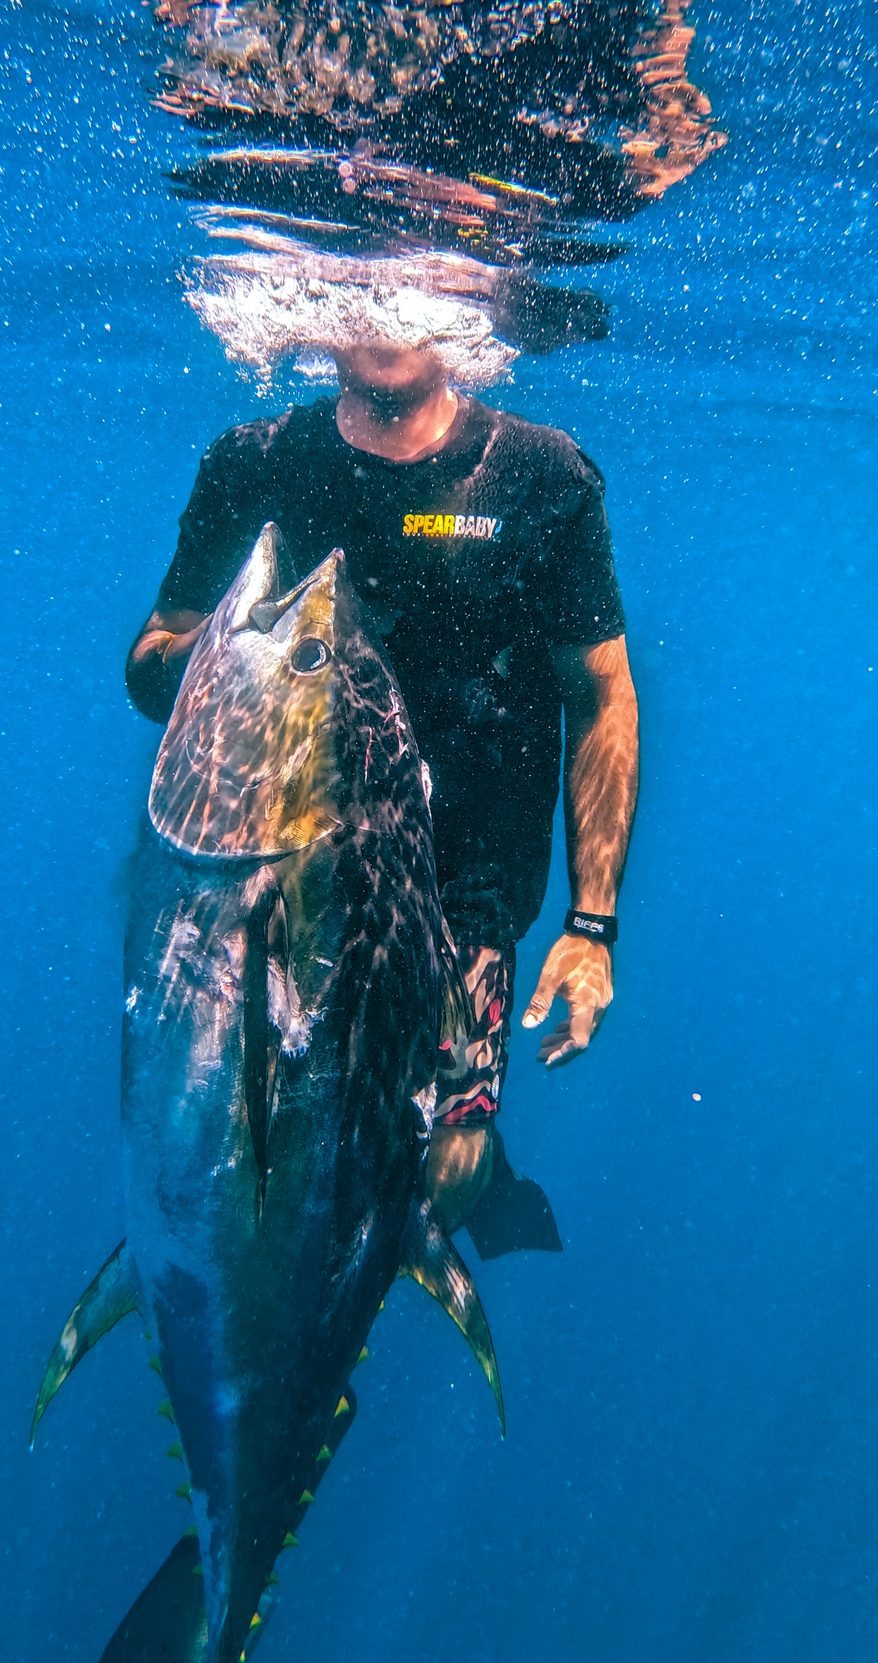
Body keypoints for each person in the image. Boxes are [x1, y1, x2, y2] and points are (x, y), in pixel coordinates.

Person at [126, 338, 639, 1255]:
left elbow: (602, 698)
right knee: (244, 1153)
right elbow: (150, 659)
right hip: (271, 877)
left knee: (451, 1159)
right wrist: (225, 658)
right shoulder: (254, 461)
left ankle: (432, 1232)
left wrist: (591, 924)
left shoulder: (540, 474)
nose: (390, 325)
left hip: (461, 896)